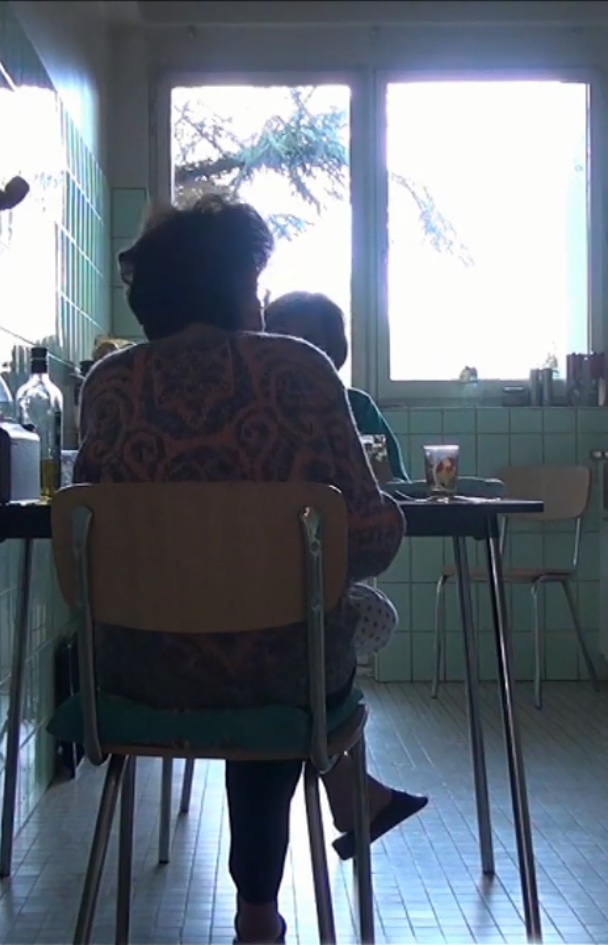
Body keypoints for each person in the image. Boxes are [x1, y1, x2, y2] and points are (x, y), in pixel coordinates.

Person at [74, 194, 427, 944]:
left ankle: (269, 902)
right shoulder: (298, 372)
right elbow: (368, 539)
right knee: (281, 648)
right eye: (255, 285)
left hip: (136, 676)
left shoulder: (107, 386)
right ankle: (260, 912)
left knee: (269, 644)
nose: (262, 303)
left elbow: (88, 540)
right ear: (236, 285)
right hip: (279, 676)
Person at [262, 291, 409, 482]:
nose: (295, 353)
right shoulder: (253, 409)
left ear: (331, 350)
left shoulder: (357, 406)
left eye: (309, 342)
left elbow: (391, 484)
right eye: (281, 340)